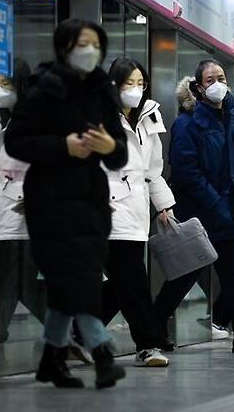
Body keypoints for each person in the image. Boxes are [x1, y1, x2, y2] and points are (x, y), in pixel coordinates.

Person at [4, 19, 128, 389]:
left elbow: (119, 153)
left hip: (92, 202)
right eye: (82, 43)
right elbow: (17, 142)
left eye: (95, 44)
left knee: (67, 286)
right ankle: (103, 354)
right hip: (50, 202)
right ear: (64, 47)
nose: (90, 51)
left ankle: (51, 361)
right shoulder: (46, 88)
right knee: (82, 281)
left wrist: (109, 148)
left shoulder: (104, 91)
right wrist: (63, 147)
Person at [169, 59, 234, 353]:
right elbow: (185, 172)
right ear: (198, 87)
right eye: (210, 80)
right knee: (184, 277)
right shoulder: (187, 122)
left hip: (231, 213)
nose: (218, 83)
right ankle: (157, 325)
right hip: (200, 213)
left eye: (221, 77)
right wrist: (215, 201)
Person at [96, 58, 172, 367]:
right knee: (134, 281)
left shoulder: (149, 117)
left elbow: (153, 170)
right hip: (109, 210)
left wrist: (164, 205)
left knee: (120, 283)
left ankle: (76, 331)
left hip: (138, 211)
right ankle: (148, 344)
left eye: (140, 83)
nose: (135, 90)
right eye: (129, 83)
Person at [0, 59, 49, 345]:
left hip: (25, 212)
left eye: (6, 84)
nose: (0, 91)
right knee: (15, 281)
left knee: (15, 280)